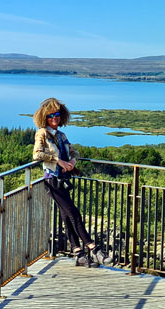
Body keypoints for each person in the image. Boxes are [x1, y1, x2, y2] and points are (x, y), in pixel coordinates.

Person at [32, 98, 112, 267]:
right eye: (50, 115)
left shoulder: (61, 135)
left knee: (67, 216)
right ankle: (94, 249)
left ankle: (79, 254)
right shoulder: (42, 133)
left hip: (63, 180)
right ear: (44, 118)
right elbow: (37, 154)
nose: (54, 118)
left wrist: (73, 162)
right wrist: (58, 161)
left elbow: (74, 152)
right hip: (52, 181)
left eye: (57, 114)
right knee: (74, 213)